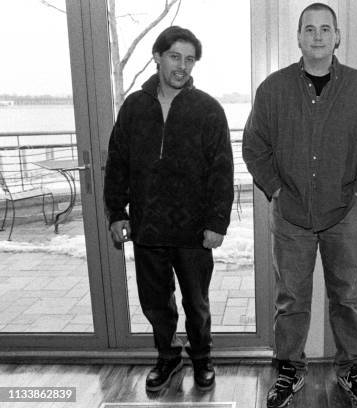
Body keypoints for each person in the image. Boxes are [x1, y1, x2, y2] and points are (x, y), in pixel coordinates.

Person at [243, 3, 357, 407]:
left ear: (337, 36)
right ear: (300, 37)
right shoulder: (273, 89)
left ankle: (352, 369)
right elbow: (254, 147)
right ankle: (289, 368)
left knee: (347, 296)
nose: (319, 36)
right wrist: (275, 189)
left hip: (344, 213)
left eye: (326, 29)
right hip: (290, 215)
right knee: (291, 298)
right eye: (310, 29)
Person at [104, 26, 234, 393]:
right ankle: (167, 357)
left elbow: (222, 171)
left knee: (197, 303)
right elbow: (117, 163)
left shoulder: (208, 109)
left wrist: (216, 223)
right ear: (157, 56)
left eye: (189, 59)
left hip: (194, 231)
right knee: (155, 302)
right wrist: (117, 212)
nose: (182, 66)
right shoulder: (133, 107)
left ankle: (202, 358)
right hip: (148, 228)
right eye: (175, 56)